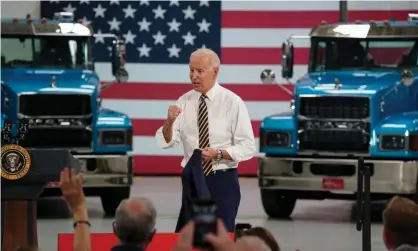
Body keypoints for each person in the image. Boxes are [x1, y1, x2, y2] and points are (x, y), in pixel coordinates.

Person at [155, 48, 256, 232]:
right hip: (192, 180)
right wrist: (168, 122)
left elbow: (248, 147)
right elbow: (167, 141)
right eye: (191, 71)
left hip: (222, 180)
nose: (194, 76)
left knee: (221, 237)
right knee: (190, 237)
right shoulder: (183, 101)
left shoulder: (232, 102)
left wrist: (219, 154)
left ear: (215, 72)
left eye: (200, 71)